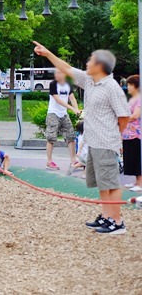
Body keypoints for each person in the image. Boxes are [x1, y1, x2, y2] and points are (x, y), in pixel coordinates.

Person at [33, 42, 129, 235]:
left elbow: (123, 116)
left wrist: (117, 139)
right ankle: (106, 216)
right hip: (93, 140)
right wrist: (47, 53)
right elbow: (66, 68)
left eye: (90, 61)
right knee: (102, 182)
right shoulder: (89, 80)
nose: (87, 64)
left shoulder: (112, 87)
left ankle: (117, 222)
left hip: (106, 141)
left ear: (100, 66)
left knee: (110, 182)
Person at [45, 70, 80, 171]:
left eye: (59, 73)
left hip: (64, 114)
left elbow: (72, 98)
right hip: (53, 113)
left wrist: (76, 109)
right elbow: (58, 100)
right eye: (56, 73)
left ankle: (73, 160)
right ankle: (49, 161)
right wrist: (72, 109)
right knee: (51, 138)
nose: (57, 75)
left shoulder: (68, 84)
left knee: (71, 137)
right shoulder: (53, 84)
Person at [122, 75, 142, 192]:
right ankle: (136, 182)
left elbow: (136, 115)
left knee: (137, 158)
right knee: (131, 159)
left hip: (136, 134)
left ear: (135, 86)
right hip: (128, 134)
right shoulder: (132, 99)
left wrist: (123, 119)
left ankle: (140, 183)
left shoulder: (139, 99)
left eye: (129, 85)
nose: (127, 87)